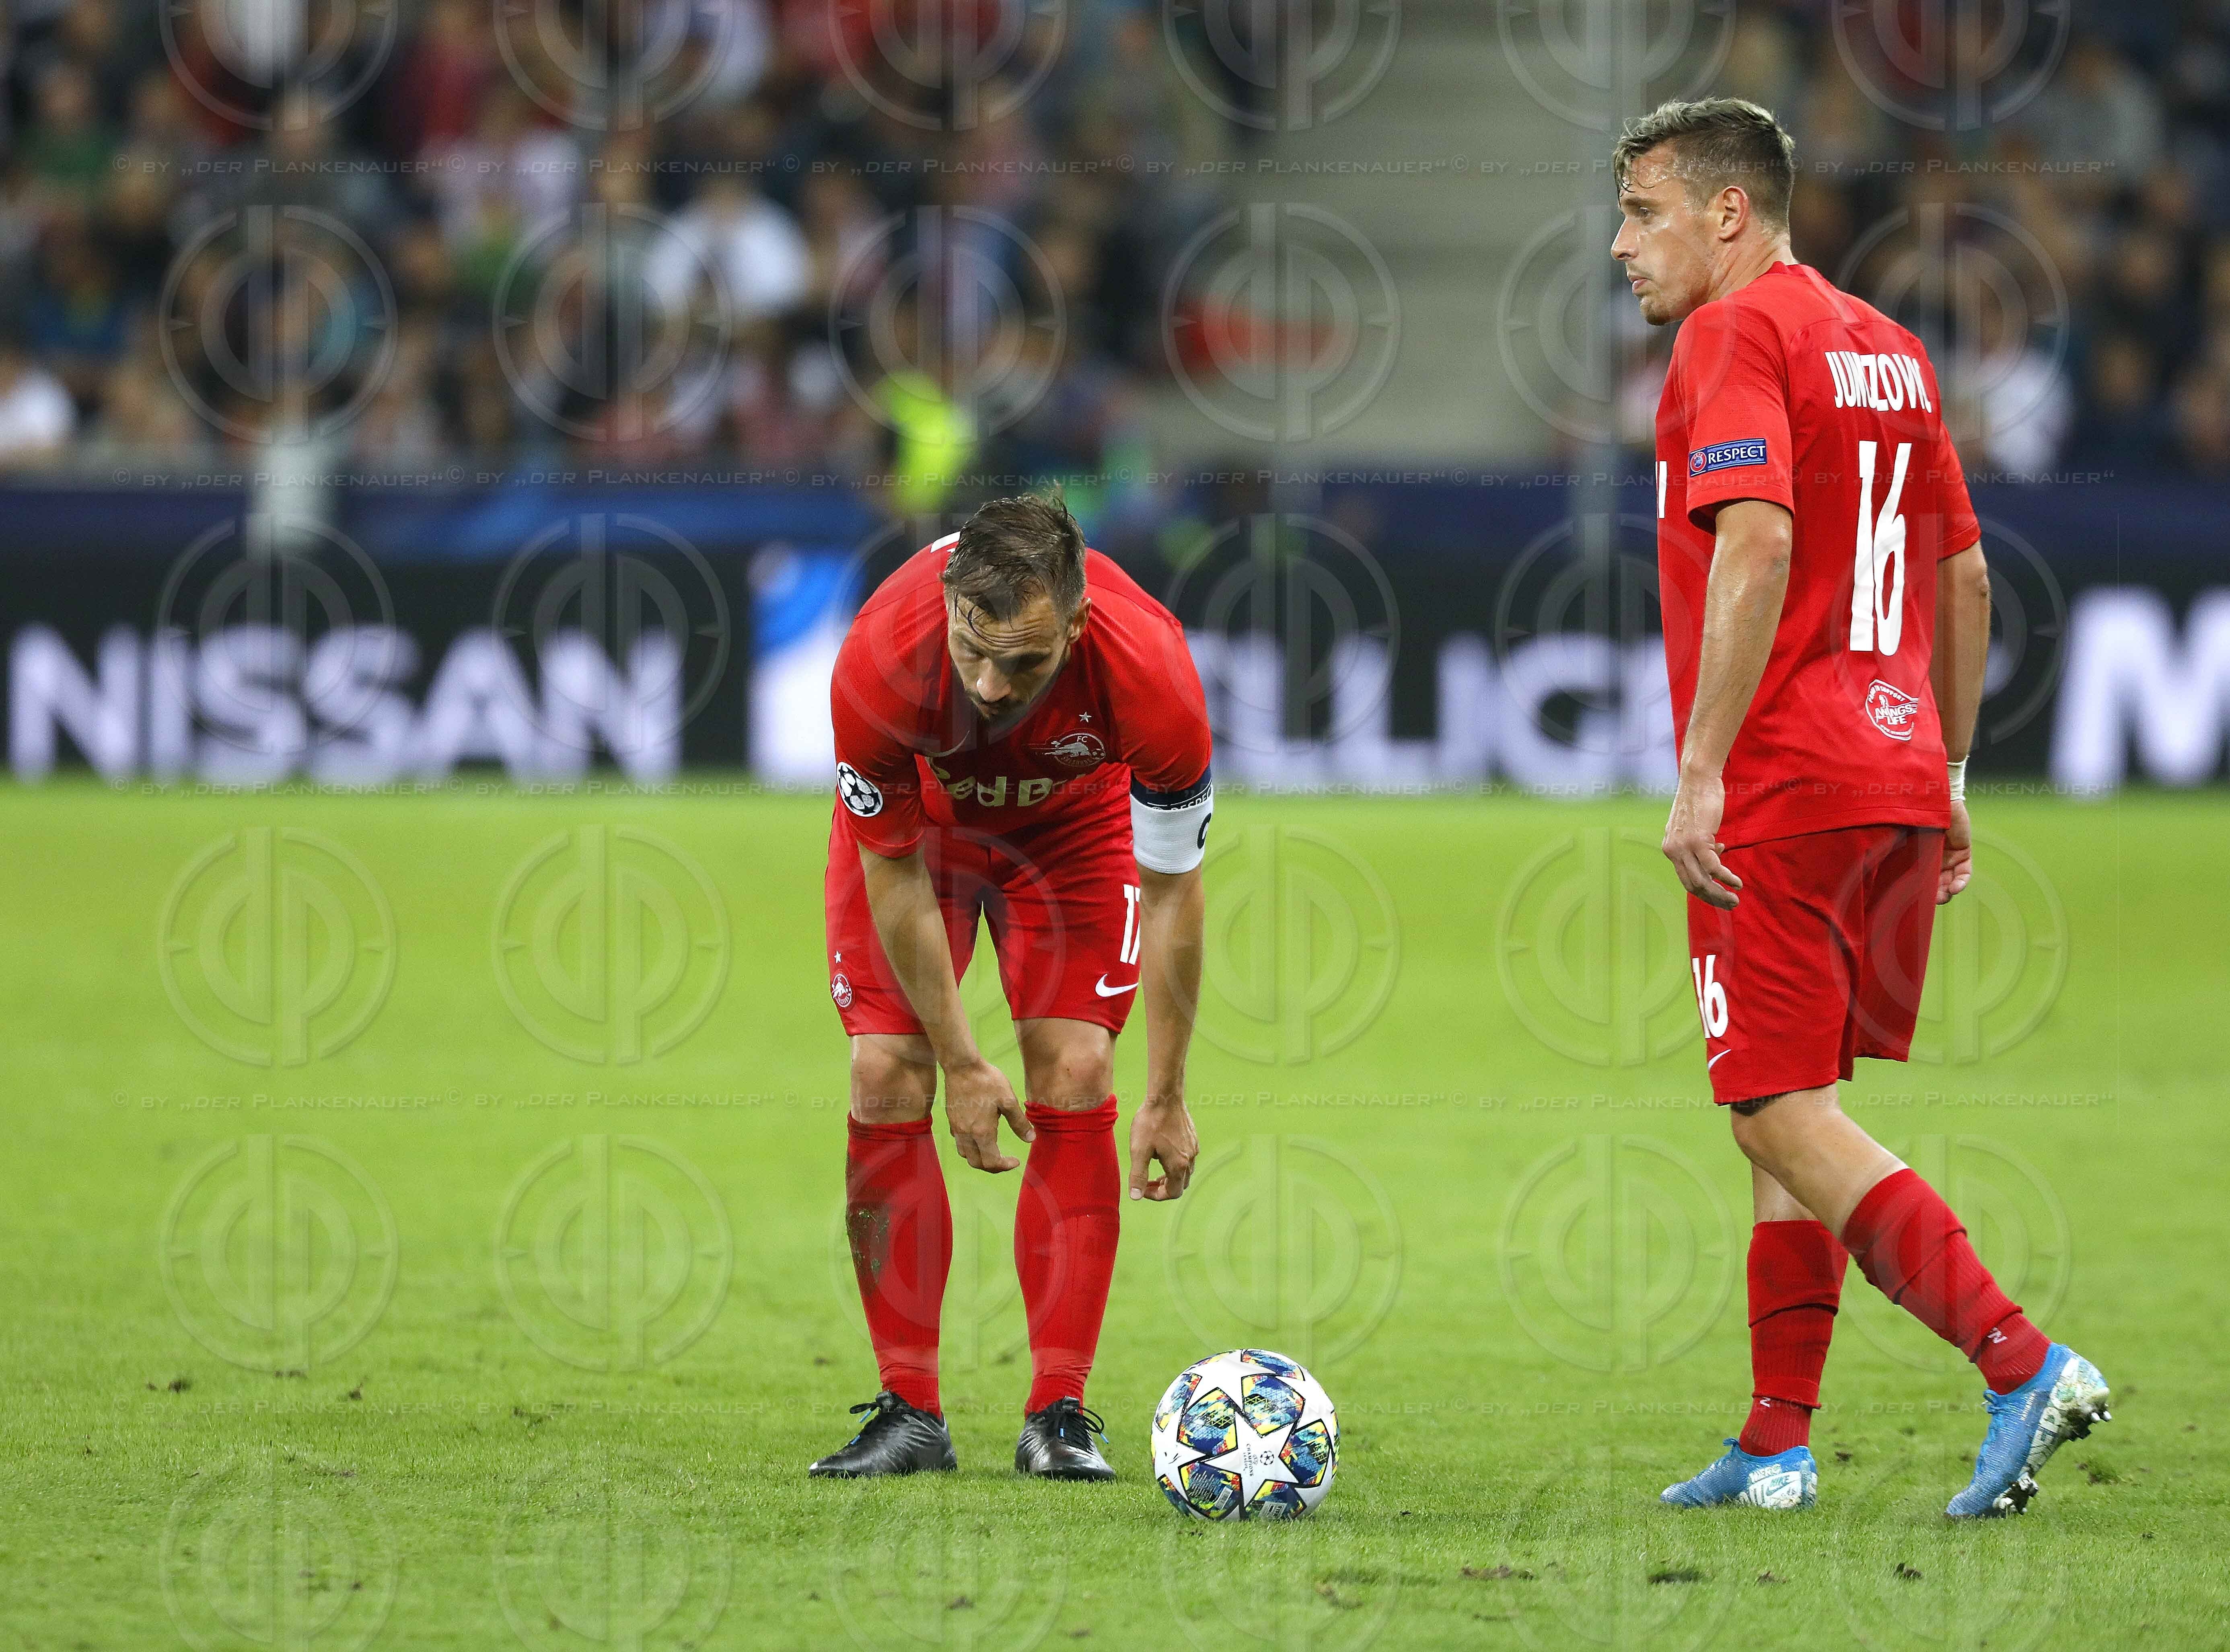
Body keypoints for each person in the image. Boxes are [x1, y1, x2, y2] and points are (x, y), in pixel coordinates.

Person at [1611, 98, 2109, 1518]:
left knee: (1771, 1107)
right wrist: (1946, 776)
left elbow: (1755, 534)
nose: (1618, 243)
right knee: (1796, 1109)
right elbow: (1966, 577)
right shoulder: (1887, 348)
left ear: (1728, 213)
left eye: (1645, 212)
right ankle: (1774, 1439)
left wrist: (1699, 762)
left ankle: (2021, 1359)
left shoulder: (1732, 335)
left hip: (1784, 780)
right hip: (1891, 779)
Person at [812, 493, 1212, 1480]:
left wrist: (1166, 1092)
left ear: (1076, 623)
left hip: (1072, 825)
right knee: (885, 1075)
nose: (990, 683)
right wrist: (961, 1059)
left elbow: (1172, 895)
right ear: (948, 599)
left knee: (1077, 1067)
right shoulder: (879, 657)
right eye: (973, 647)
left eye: (1024, 662)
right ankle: (908, 1409)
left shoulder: (1152, 670)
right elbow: (894, 874)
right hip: (926, 839)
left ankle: (1059, 1415)